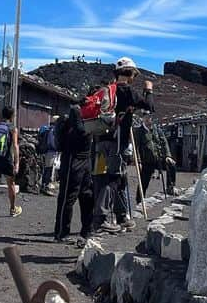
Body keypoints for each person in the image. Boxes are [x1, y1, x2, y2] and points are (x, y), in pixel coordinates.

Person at [92, 57, 153, 234]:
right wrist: (148, 90)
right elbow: (149, 106)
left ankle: (121, 216)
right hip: (117, 140)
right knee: (113, 177)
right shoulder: (127, 91)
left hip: (101, 140)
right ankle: (101, 218)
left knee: (116, 177)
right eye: (134, 73)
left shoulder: (107, 90)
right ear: (131, 73)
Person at [53, 94, 94, 246]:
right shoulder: (74, 115)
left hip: (85, 159)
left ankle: (87, 230)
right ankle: (61, 232)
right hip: (73, 159)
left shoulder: (88, 116)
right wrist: (78, 110)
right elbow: (81, 131)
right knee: (68, 196)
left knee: (87, 195)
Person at [134, 112, 176, 198]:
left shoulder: (157, 129)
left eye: (149, 117)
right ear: (142, 118)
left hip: (159, 158)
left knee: (171, 164)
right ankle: (140, 200)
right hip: (147, 161)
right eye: (145, 117)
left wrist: (168, 155)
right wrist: (138, 161)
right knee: (143, 182)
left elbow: (164, 142)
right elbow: (136, 147)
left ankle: (170, 187)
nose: (147, 119)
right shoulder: (139, 132)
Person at [39, 115, 60, 195]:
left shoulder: (50, 129)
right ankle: (46, 186)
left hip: (50, 152)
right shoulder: (53, 131)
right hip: (51, 152)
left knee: (49, 168)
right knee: (49, 169)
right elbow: (52, 142)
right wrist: (58, 148)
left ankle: (45, 185)